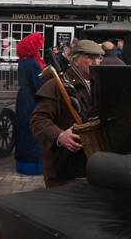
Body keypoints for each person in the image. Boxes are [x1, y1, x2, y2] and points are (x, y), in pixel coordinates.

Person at [30, 38, 104, 187]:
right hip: (64, 168)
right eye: (90, 57)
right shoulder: (57, 86)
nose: (96, 62)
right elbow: (37, 121)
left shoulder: (100, 83)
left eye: (99, 58)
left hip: (92, 164)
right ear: (75, 61)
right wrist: (59, 135)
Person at [10, 32, 48, 177]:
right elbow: (37, 83)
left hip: (23, 97)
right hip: (31, 99)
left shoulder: (23, 61)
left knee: (24, 129)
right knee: (33, 130)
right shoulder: (33, 63)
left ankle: (24, 163)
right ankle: (33, 165)